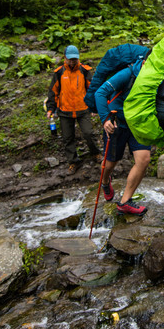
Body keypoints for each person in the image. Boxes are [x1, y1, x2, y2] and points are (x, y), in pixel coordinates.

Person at [94, 56, 152, 216]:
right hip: (117, 123)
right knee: (110, 164)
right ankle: (105, 182)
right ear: (145, 61)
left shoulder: (156, 76)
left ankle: (125, 201)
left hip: (138, 123)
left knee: (144, 159)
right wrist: (105, 119)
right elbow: (100, 93)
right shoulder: (127, 74)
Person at [46, 45, 101, 174]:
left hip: (83, 109)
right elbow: (53, 92)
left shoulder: (84, 71)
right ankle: (73, 161)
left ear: (78, 58)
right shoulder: (59, 73)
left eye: (75, 59)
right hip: (65, 111)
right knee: (68, 138)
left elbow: (92, 89)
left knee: (88, 133)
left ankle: (96, 153)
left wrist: (94, 107)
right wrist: (50, 109)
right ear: (65, 58)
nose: (72, 61)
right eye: (70, 59)